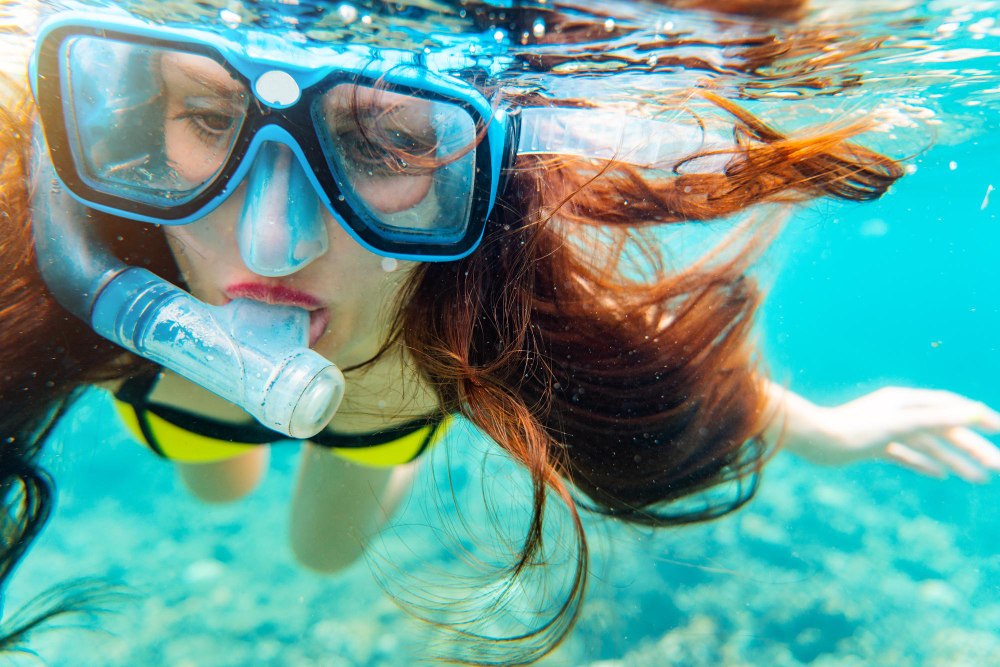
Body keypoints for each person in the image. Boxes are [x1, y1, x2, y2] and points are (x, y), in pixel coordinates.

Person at [1, 0, 998, 662]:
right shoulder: (79, 258)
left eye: (387, 136)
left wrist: (830, 431)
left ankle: (376, 450)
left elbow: (669, 398)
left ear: (476, 165)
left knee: (320, 557)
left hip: (375, 422)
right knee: (216, 480)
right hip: (180, 412)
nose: (273, 237)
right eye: (210, 114)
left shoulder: (486, 314)